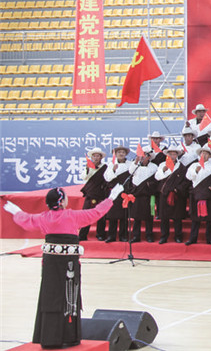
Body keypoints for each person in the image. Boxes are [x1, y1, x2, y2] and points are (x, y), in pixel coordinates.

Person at [4, 183, 124, 348]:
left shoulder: (44, 218)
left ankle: (49, 337)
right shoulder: (72, 216)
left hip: (50, 265)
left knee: (50, 296)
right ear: (61, 202)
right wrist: (111, 198)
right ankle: (68, 336)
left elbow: (27, 220)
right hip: (69, 265)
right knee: (69, 297)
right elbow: (96, 213)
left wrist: (17, 212)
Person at [186, 144, 211, 245]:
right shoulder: (193, 165)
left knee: (210, 218)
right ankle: (193, 238)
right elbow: (188, 177)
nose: (204, 155)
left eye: (206, 154)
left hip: (208, 195)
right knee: (195, 219)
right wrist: (195, 171)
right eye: (202, 153)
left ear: (209, 156)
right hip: (196, 194)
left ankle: (210, 238)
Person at [155, 144, 190, 244]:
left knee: (177, 217)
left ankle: (178, 236)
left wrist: (177, 189)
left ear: (177, 155)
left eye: (174, 154)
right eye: (170, 154)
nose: (172, 156)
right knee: (164, 218)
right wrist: (163, 170)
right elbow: (157, 177)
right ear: (167, 155)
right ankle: (164, 236)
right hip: (164, 194)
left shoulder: (181, 167)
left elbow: (185, 181)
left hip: (176, 194)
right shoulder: (162, 165)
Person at [126, 146, 158, 243]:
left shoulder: (154, 167)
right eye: (141, 155)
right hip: (137, 194)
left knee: (148, 217)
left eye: (145, 155)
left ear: (149, 157)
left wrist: (148, 185)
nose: (143, 157)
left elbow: (155, 180)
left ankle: (149, 235)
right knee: (137, 217)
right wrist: (136, 162)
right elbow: (130, 172)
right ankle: (136, 236)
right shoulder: (135, 165)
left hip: (148, 195)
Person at [78, 147, 108, 241]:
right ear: (91, 157)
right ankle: (82, 235)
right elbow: (84, 177)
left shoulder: (105, 167)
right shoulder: (88, 166)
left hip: (101, 194)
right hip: (90, 194)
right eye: (94, 156)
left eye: (98, 156)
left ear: (101, 157)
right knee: (86, 215)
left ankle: (100, 234)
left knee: (101, 215)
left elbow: (107, 178)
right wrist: (87, 169)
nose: (96, 158)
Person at [103, 145, 130, 243]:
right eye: (119, 152)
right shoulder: (111, 164)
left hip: (125, 192)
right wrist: (113, 170)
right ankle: (111, 236)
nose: (121, 154)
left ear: (126, 154)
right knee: (112, 216)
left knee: (124, 216)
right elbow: (107, 178)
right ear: (115, 154)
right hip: (114, 192)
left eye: (123, 152)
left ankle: (123, 236)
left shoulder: (130, 164)